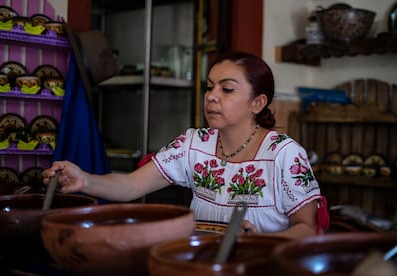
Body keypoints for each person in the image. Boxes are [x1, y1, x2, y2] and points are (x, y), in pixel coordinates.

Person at [43, 51, 329, 238]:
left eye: (227, 89)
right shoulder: (194, 143)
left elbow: (308, 227)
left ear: (257, 103)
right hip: (199, 264)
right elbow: (131, 186)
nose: (212, 97)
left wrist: (259, 241)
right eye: (209, 86)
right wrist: (85, 180)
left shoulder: (284, 153)